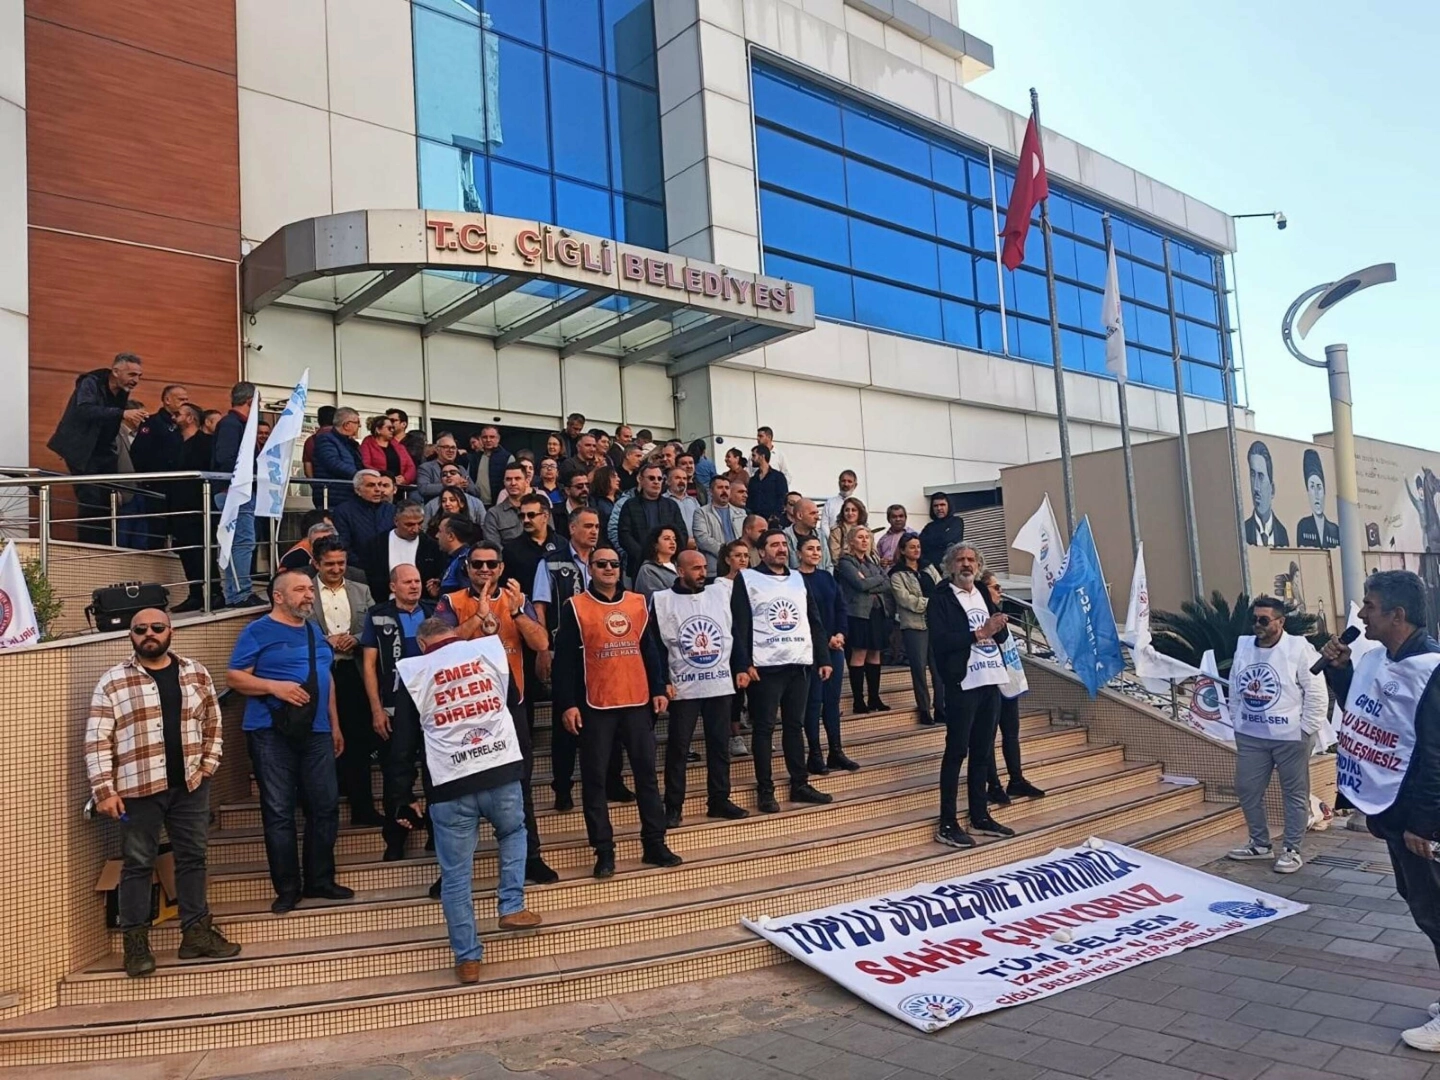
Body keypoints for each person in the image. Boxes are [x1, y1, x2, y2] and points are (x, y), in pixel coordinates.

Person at [1319, 571, 1440, 1052]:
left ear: (1397, 615)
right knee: (1422, 906)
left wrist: (1423, 825)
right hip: (1392, 810)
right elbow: (1365, 711)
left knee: (1435, 912)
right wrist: (1339, 670)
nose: (1361, 615)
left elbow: (1435, 756)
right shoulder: (1375, 659)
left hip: (1419, 819)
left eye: (1369, 606)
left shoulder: (1430, 670)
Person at [84, 607, 239, 976]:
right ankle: (136, 946)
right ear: (131, 635)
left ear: (171, 631)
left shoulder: (195, 672)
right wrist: (104, 790)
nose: (149, 634)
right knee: (138, 864)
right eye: (141, 629)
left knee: (193, 858)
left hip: (189, 786)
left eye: (157, 627)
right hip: (138, 789)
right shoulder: (113, 682)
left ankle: (196, 934)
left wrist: (207, 767)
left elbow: (213, 723)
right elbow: (98, 740)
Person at [395, 619, 541, 984]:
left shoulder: (415, 672)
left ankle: (468, 959)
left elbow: (403, 742)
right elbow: (512, 710)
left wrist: (403, 795)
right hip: (499, 770)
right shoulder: (490, 652)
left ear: (423, 644)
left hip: (449, 784)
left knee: (455, 877)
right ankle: (512, 905)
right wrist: (521, 765)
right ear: (455, 635)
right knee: (514, 833)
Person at [553, 545, 682, 878]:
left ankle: (654, 843)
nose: (609, 569)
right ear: (590, 568)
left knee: (646, 777)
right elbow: (564, 661)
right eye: (601, 564)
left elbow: (649, 649)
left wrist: (659, 687)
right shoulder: (576, 607)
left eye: (614, 563)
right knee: (595, 780)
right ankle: (604, 850)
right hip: (596, 704)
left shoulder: (637, 602)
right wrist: (567, 703)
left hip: (637, 701)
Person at [227, 571, 352, 914]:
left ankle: (320, 880)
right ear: (278, 596)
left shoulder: (314, 631)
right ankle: (287, 888)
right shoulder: (256, 631)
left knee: (325, 806)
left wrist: (335, 726)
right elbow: (234, 677)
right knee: (279, 811)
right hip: (270, 731)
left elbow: (326, 680)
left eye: (310, 589)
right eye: (300, 589)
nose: (309, 595)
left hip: (317, 731)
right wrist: (274, 687)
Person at [436, 541, 557, 884]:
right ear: (467, 568)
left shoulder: (516, 599)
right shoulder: (451, 602)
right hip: (466, 711)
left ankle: (531, 857)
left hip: (509, 706)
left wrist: (517, 613)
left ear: (502, 568)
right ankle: (451, 871)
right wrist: (478, 616)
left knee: (520, 783)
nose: (485, 570)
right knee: (459, 790)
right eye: (478, 564)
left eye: (492, 564)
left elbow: (541, 643)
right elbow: (438, 645)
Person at [731, 528, 834, 812]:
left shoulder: (798, 578)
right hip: (765, 667)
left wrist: (823, 658)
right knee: (764, 728)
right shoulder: (747, 578)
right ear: (761, 551)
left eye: (783, 544)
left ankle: (799, 783)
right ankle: (765, 790)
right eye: (774, 545)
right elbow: (738, 625)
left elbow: (813, 620)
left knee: (794, 726)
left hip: (798, 664)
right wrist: (744, 663)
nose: (781, 549)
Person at [1225, 595, 1327, 871]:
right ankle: (1260, 844)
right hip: (1251, 735)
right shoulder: (1244, 646)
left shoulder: (1298, 648)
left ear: (1280, 622)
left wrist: (1306, 729)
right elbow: (1235, 686)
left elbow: (1316, 691)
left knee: (1294, 793)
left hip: (1291, 736)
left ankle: (1292, 849)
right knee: (1247, 788)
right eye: (1254, 619)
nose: (1257, 625)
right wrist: (1236, 720)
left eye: (1264, 620)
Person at [650, 550, 748, 826]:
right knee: (678, 748)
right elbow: (657, 646)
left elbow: (732, 633)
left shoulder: (719, 593)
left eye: (704, 567)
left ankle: (719, 799)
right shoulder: (662, 600)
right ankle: (673, 806)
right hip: (683, 687)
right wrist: (662, 682)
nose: (703, 572)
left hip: (718, 682)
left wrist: (741, 666)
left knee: (719, 745)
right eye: (696, 568)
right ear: (680, 571)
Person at [928, 545, 1014, 849]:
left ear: (978, 565)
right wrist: (979, 633)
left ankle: (980, 815)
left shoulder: (982, 592)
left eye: (971, 560)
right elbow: (940, 642)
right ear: (950, 565)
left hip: (991, 680)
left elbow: (999, 636)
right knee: (956, 752)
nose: (966, 564)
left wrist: (998, 623)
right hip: (963, 682)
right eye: (960, 560)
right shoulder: (941, 598)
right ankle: (947, 823)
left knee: (983, 752)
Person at [359, 563, 435, 861]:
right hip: (394, 706)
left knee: (436, 770)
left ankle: (435, 833)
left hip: (432, 706)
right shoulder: (377, 615)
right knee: (396, 772)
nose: (414, 586)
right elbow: (369, 665)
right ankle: (395, 839)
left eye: (417, 581)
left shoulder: (434, 612)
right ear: (393, 586)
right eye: (407, 582)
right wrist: (376, 709)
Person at [308, 538, 379, 826]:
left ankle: (363, 807)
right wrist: (326, 640)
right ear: (316, 564)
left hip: (354, 670)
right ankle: (322, 810)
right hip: (319, 672)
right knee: (321, 739)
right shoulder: (304, 591)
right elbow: (295, 626)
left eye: (341, 563)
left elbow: (374, 626)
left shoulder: (361, 590)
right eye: (330, 564)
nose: (337, 569)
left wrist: (357, 638)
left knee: (358, 740)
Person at [47, 352, 146, 543]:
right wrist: (122, 413)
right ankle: (89, 547)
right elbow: (84, 409)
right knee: (90, 499)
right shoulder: (90, 382)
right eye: (132, 374)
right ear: (115, 371)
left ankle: (104, 546)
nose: (136, 380)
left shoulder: (123, 389)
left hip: (103, 451)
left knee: (107, 500)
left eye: (139, 376)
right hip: (81, 449)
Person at [979, 571, 1046, 803]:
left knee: (1011, 733)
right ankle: (993, 784)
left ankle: (1016, 779)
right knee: (988, 737)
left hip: (1009, 681)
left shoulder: (999, 615)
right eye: (995, 588)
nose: (1001, 592)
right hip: (989, 682)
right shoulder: (981, 615)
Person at [797, 534, 854, 775]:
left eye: (818, 549)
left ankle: (836, 751)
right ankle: (815, 754)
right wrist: (826, 638)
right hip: (811, 649)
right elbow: (802, 616)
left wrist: (840, 634)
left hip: (835, 648)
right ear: (799, 553)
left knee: (832, 701)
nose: (815, 553)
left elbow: (841, 607)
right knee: (813, 702)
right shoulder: (794, 580)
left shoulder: (827, 577)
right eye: (810, 549)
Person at [209, 382, 264, 607]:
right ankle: (240, 593)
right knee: (242, 542)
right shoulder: (232, 424)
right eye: (258, 403)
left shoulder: (235, 424)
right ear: (250, 401)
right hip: (235, 491)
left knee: (239, 543)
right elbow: (226, 457)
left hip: (237, 491)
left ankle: (237, 592)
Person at [836, 526, 894, 714]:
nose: (864, 540)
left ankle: (874, 697)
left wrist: (871, 581)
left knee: (875, 653)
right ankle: (858, 700)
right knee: (859, 653)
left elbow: (887, 583)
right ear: (851, 541)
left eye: (867, 537)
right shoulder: (846, 562)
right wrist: (876, 580)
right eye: (860, 537)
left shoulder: (872, 561)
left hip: (876, 611)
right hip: (858, 613)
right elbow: (859, 584)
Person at [128, 383, 189, 549]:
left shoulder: (183, 425)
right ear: (167, 400)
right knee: (155, 529)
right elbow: (139, 453)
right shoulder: (153, 423)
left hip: (177, 487)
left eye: (186, 399)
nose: (185, 403)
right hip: (157, 486)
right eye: (181, 399)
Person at [170, 402, 218, 611]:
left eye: (178, 414)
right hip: (177, 505)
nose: (174, 418)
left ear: (190, 418)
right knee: (186, 551)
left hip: (199, 505)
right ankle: (195, 593)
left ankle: (214, 592)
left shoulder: (206, 443)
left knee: (203, 549)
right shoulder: (175, 442)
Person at [891, 534, 938, 726]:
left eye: (918, 546)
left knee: (938, 669)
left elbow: (941, 587)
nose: (916, 550)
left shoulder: (928, 568)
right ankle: (924, 709)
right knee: (919, 669)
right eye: (911, 547)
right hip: (913, 625)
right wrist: (929, 603)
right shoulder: (897, 574)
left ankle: (941, 707)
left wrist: (937, 605)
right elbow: (905, 599)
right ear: (903, 550)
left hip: (935, 623)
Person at [361, 501, 443, 601]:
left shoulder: (432, 546)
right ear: (396, 521)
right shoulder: (376, 544)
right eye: (409, 525)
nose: (416, 529)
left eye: (420, 523)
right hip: (384, 603)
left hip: (422, 604)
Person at [618, 463, 687, 575]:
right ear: (640, 480)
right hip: (639, 565)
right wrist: (643, 554)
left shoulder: (671, 505)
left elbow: (682, 533)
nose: (656, 482)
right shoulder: (630, 505)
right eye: (651, 478)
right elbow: (624, 535)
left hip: (669, 563)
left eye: (659, 479)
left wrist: (670, 554)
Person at [311, 407, 365, 509]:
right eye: (357, 422)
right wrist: (360, 476)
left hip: (347, 494)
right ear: (346, 424)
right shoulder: (326, 439)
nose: (359, 426)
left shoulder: (351, 443)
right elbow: (333, 463)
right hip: (332, 495)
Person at [333, 469, 397, 553]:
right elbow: (344, 544)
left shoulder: (392, 510)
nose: (378, 489)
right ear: (357, 490)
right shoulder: (343, 511)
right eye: (371, 485)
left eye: (379, 484)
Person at [693, 475, 745, 576]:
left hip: (740, 568)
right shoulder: (701, 512)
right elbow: (702, 539)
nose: (724, 491)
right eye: (720, 487)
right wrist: (726, 552)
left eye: (727, 488)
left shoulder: (741, 513)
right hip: (715, 568)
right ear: (711, 491)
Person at [1245, 440, 1289, 547]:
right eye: (1252, 475)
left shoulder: (1282, 533)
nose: (1256, 487)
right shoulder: (1243, 531)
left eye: (1260, 477)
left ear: (1272, 489)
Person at [1296, 449, 1340, 549]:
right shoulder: (1303, 526)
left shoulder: (1334, 530)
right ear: (1308, 491)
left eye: (1319, 487)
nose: (1316, 494)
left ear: (1324, 491)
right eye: (1312, 487)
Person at [482, 462, 533, 550]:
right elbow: (493, 548)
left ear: (527, 481)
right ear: (504, 483)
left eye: (517, 478)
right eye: (508, 479)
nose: (513, 483)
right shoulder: (494, 514)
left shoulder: (539, 508)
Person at [417, 432, 480, 502]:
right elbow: (424, 489)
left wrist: (466, 485)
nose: (450, 450)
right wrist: (452, 485)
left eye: (453, 448)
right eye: (446, 447)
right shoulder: (426, 467)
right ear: (437, 450)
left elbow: (476, 491)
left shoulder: (461, 468)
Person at [360, 414, 415, 488]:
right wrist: (386, 477)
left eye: (393, 428)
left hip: (398, 486)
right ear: (378, 430)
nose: (392, 430)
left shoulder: (398, 446)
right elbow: (366, 464)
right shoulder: (367, 444)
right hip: (377, 486)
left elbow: (411, 466)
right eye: (389, 428)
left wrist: (405, 479)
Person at [466, 425, 513, 506]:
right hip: (476, 503)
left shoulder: (507, 458)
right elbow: (468, 479)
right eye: (485, 437)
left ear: (498, 439)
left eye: (492, 437)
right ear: (481, 439)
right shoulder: (474, 458)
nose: (488, 440)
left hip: (499, 504)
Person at [633, 524, 682, 599]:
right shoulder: (648, 570)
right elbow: (655, 598)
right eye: (666, 539)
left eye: (674, 539)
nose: (672, 542)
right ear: (655, 544)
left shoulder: (679, 565)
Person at [919, 492, 964, 570]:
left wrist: (931, 542)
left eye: (942, 505)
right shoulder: (929, 527)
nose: (939, 508)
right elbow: (921, 545)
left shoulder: (956, 522)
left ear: (948, 506)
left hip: (951, 567)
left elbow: (948, 539)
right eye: (935, 506)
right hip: (932, 569)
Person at [436, 513, 480, 594]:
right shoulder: (453, 559)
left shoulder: (464, 561)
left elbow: (468, 595)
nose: (437, 536)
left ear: (450, 536)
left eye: (440, 531)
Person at [785, 498, 830, 571]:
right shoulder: (784, 537)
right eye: (812, 513)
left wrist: (825, 577)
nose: (817, 517)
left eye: (817, 513)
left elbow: (828, 565)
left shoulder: (821, 535)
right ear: (799, 515)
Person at [747, 444, 788, 524]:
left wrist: (776, 516)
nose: (752, 459)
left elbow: (783, 497)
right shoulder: (753, 479)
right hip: (755, 521)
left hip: (773, 521)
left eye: (754, 455)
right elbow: (750, 500)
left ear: (762, 456)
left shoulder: (778, 477)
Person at [551, 467, 591, 541]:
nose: (585, 489)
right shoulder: (555, 513)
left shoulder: (598, 511)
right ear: (567, 490)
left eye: (587, 486)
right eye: (579, 486)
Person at [827, 496, 867, 566]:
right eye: (847, 510)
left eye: (853, 510)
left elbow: (874, 554)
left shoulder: (867, 531)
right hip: (845, 567)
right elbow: (835, 556)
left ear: (860, 512)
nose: (850, 513)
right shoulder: (837, 531)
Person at [819, 470, 860, 537]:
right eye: (843, 481)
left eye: (849, 481)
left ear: (855, 485)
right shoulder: (830, 503)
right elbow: (824, 524)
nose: (846, 484)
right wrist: (832, 539)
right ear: (839, 483)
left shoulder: (859, 504)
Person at [664, 466, 701, 538]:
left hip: (696, 542)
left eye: (684, 478)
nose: (682, 481)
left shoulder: (693, 501)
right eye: (677, 478)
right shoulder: (663, 501)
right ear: (668, 481)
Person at [875, 504, 917, 568]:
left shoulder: (914, 536)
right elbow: (877, 559)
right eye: (894, 517)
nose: (898, 519)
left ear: (905, 518)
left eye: (901, 516)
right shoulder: (883, 539)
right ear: (888, 519)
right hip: (887, 573)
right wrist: (881, 562)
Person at [302, 405, 337, 479]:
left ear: (319, 420)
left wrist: (314, 483)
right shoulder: (344, 439)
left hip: (319, 482)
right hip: (342, 483)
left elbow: (307, 467)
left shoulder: (311, 440)